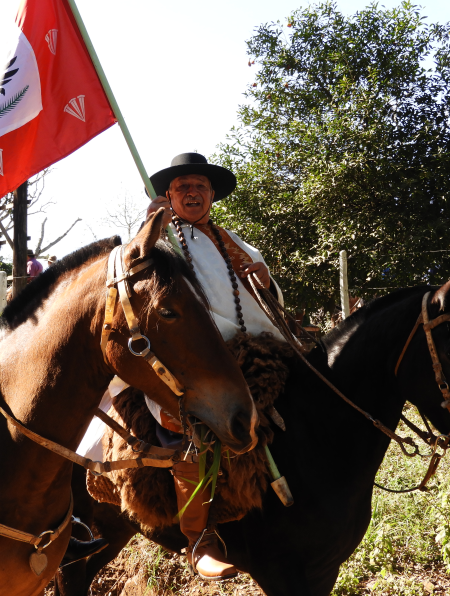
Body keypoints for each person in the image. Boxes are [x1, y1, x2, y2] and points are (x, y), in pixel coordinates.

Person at [146, 153, 286, 581]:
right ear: (169, 195)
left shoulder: (235, 241)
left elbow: (269, 297)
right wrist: (149, 228)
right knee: (194, 422)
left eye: (200, 186)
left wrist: (265, 282)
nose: (192, 193)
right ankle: (200, 538)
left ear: (211, 195)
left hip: (259, 344)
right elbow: (142, 281)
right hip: (194, 353)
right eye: (183, 187)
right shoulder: (158, 236)